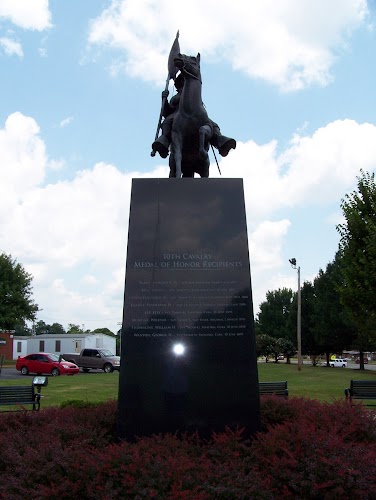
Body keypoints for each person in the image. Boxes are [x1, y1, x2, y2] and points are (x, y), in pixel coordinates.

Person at [152, 73, 236, 159]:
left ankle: (219, 141)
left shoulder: (194, 94)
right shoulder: (175, 97)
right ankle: (164, 142)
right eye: (183, 81)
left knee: (212, 124)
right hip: (176, 115)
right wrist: (164, 100)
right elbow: (166, 113)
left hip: (196, 115)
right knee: (167, 122)